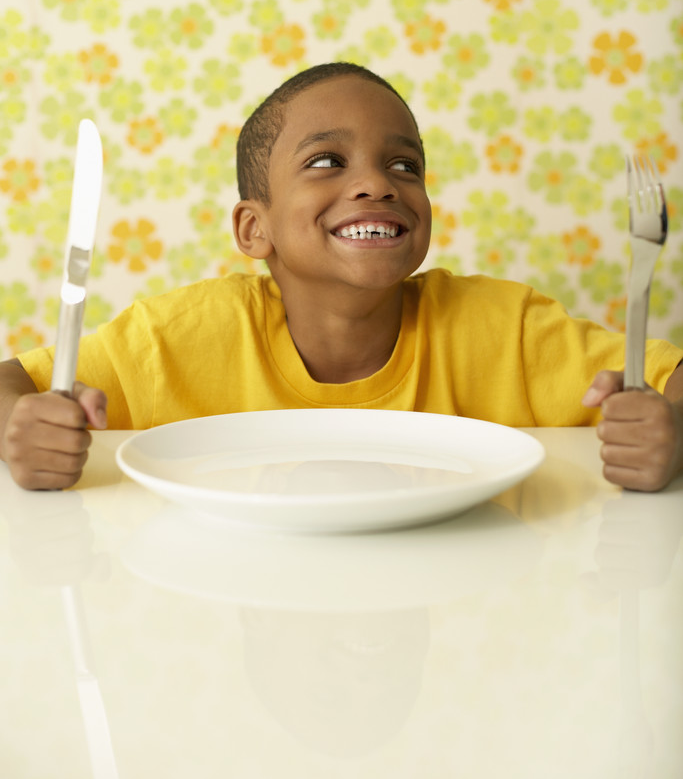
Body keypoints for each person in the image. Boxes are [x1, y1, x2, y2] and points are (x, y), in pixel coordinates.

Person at [1, 62, 681, 492]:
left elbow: (670, 375)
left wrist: (670, 428)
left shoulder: (502, 328)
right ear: (251, 229)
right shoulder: (176, 337)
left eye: (404, 165)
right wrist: (22, 431)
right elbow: (11, 385)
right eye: (327, 161)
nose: (376, 185)